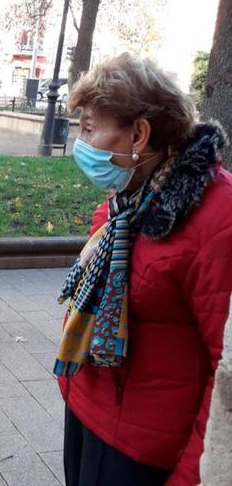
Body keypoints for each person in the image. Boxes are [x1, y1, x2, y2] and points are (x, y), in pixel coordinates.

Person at [55, 53, 232, 486]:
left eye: (90, 128)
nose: (81, 141)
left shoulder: (218, 218)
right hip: (87, 413)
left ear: (139, 133)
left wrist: (193, 476)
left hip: (143, 452)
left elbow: (225, 373)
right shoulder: (123, 204)